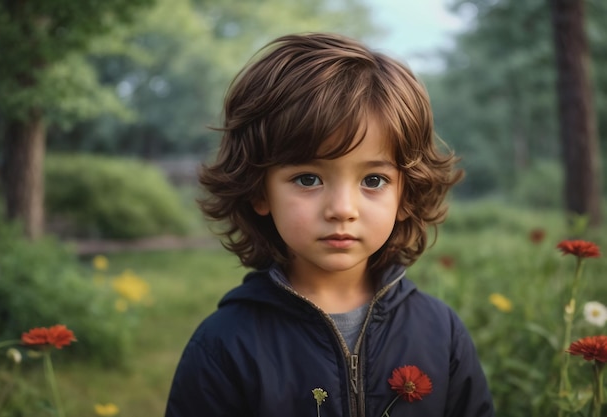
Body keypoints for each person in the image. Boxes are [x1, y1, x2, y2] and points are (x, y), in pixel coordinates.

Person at [165, 32, 494, 417]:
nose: (342, 209)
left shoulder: (441, 333)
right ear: (259, 190)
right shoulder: (224, 345)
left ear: (405, 194)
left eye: (373, 180)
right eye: (308, 179)